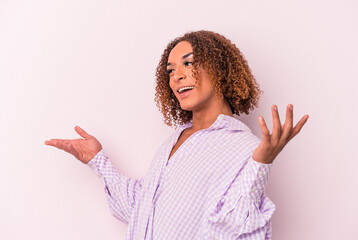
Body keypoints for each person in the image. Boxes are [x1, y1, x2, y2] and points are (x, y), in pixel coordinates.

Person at [45, 30, 309, 239]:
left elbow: (235, 229)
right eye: (170, 70)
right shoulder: (172, 142)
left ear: (219, 69)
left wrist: (261, 163)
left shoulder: (244, 148)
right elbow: (141, 209)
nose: (177, 76)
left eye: (188, 63)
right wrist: (98, 160)